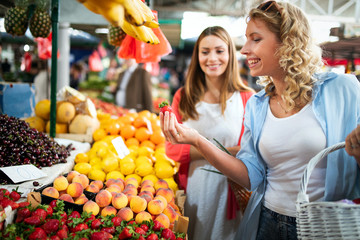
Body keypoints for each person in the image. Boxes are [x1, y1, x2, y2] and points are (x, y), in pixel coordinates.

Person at [160, 2, 360, 240]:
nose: (244, 49)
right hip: (268, 222)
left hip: (324, 226)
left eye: (255, 39)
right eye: (246, 39)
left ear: (288, 41)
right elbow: (250, 176)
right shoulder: (257, 104)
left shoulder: (341, 90)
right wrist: (197, 140)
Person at [164, 26, 254, 240]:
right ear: (197, 56)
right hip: (193, 191)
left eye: (219, 51)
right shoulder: (183, 97)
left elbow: (249, 152)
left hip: (231, 194)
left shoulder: (248, 99)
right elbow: (172, 150)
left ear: (230, 54)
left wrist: (195, 144)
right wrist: (228, 151)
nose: (212, 58)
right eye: (205, 52)